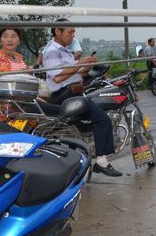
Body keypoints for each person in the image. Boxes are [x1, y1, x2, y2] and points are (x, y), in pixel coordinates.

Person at [42, 20, 122, 177]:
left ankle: (81, 163)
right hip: (65, 95)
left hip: (73, 92)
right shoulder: (52, 50)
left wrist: (87, 67)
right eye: (70, 32)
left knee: (83, 127)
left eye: (73, 33)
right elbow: (57, 77)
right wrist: (80, 63)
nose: (72, 36)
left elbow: (74, 74)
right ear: (57, 32)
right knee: (102, 119)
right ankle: (101, 162)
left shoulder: (64, 51)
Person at [0, 28, 28, 121]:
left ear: (19, 41)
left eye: (13, 36)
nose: (9, 40)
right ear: (0, 41)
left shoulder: (19, 57)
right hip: (5, 107)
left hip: (22, 101)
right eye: (5, 36)